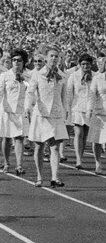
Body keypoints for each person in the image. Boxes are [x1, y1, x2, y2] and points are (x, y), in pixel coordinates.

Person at [25, 46, 69, 188]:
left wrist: (65, 111)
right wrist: (28, 107)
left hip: (56, 114)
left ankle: (55, 177)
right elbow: (30, 92)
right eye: (51, 56)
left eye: (56, 56)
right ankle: (39, 176)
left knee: (55, 147)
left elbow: (64, 96)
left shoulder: (62, 75)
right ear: (46, 58)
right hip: (41, 114)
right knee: (39, 146)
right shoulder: (38, 74)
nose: (54, 59)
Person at [0, 49, 29, 176]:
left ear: (24, 62)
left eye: (19, 60)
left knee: (19, 138)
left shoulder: (28, 76)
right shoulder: (4, 75)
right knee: (6, 138)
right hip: (7, 110)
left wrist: (23, 79)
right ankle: (6, 163)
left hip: (21, 110)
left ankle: (19, 165)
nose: (16, 62)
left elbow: (31, 91)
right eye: (14, 60)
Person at [66, 53, 94, 170]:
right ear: (79, 65)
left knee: (85, 135)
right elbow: (69, 93)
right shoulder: (74, 76)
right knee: (78, 133)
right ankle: (78, 159)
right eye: (83, 64)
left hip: (90, 109)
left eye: (87, 64)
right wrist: (68, 109)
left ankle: (81, 157)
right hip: (77, 107)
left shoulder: (96, 76)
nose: (85, 66)